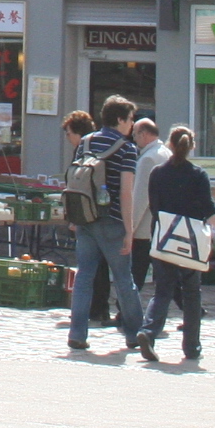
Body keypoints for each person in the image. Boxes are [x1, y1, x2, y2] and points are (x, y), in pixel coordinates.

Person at [132, 125, 215, 363]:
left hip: (163, 236)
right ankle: (191, 345)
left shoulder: (157, 173)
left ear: (169, 144)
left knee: (162, 291)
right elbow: (209, 210)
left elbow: (155, 207)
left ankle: (148, 331)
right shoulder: (198, 175)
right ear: (191, 147)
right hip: (191, 241)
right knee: (191, 293)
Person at [66, 95, 142, 352]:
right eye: (131, 119)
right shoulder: (127, 149)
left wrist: (74, 218)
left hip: (85, 217)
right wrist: (130, 230)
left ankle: (77, 333)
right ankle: (134, 333)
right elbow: (126, 192)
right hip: (112, 220)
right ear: (120, 119)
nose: (132, 124)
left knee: (84, 276)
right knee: (123, 278)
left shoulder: (85, 142)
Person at [60, 110, 108, 326]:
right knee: (102, 265)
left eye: (69, 133)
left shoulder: (82, 151)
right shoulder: (98, 147)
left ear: (79, 133)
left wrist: (73, 216)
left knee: (89, 267)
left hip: (87, 215)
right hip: (102, 213)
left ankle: (91, 310)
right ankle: (100, 308)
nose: (68, 138)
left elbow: (77, 187)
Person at [127, 118, 168, 293]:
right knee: (166, 275)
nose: (134, 139)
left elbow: (141, 198)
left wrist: (130, 228)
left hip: (145, 229)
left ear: (144, 134)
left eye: (135, 134)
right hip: (162, 225)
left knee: (135, 275)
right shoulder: (165, 153)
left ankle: (125, 313)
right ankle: (192, 308)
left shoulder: (148, 159)